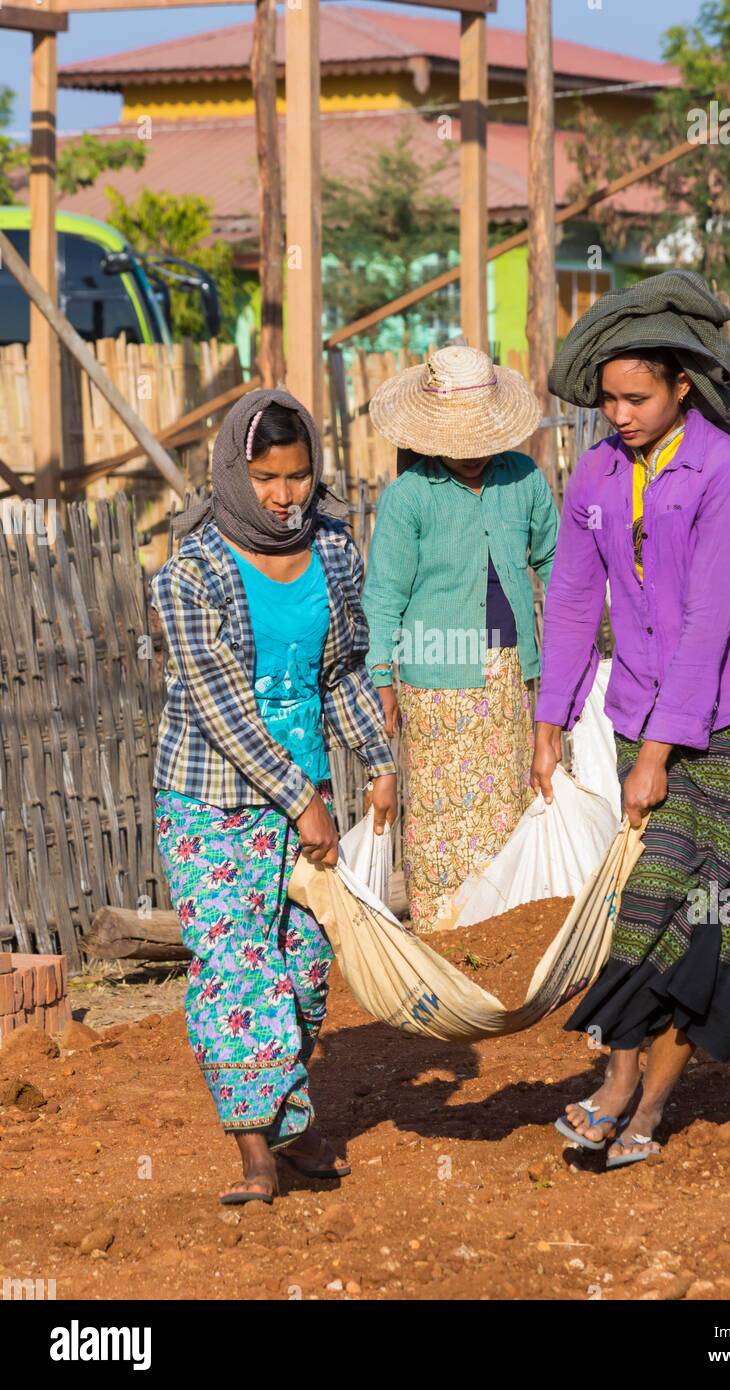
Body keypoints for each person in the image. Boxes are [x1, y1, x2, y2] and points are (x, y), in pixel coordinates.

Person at [533, 347, 730, 1169]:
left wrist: (655, 754)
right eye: (608, 400)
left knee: (716, 921)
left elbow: (709, 620)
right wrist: (549, 717)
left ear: (681, 388)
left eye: (638, 397)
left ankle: (645, 1104)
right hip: (645, 710)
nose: (618, 414)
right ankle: (617, 1082)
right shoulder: (595, 477)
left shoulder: (726, 472)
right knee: (646, 901)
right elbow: (577, 597)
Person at [150, 387, 398, 1205]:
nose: (284, 496)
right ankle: (259, 1147)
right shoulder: (190, 575)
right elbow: (220, 705)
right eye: (264, 477)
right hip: (209, 801)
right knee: (236, 966)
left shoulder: (334, 552)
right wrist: (301, 799)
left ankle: (285, 1119)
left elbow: (345, 669)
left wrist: (377, 757)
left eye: (296, 476)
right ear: (231, 470)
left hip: (308, 797)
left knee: (302, 967)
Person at [363, 345, 559, 929]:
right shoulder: (409, 497)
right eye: (458, 445)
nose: (472, 457)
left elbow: (554, 561)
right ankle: (447, 939)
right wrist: (382, 677)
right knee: (442, 824)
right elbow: (385, 593)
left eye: (480, 443)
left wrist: (576, 648)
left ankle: (505, 936)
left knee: (506, 811)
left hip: (507, 675)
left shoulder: (522, 479)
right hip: (434, 682)